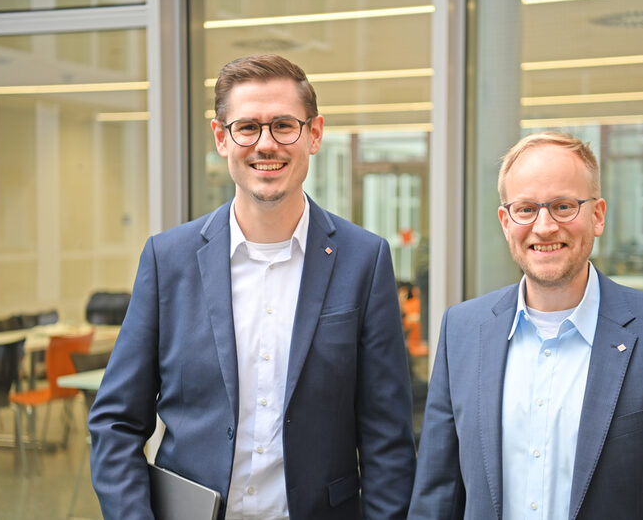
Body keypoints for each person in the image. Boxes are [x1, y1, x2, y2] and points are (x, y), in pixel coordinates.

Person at [88, 54, 416, 520]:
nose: (266, 144)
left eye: (284, 125)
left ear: (315, 134)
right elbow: (116, 421)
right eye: (247, 127)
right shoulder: (169, 260)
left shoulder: (364, 260)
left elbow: (388, 440)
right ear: (221, 138)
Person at [408, 131, 643, 519]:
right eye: (526, 209)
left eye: (563, 206)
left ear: (598, 215)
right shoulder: (463, 331)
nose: (544, 226)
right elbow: (435, 501)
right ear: (506, 222)